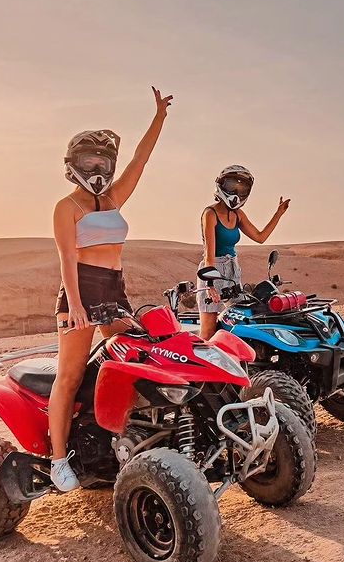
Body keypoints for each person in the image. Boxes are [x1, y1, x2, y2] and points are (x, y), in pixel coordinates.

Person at [49, 86, 173, 491]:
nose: (98, 166)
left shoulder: (115, 196)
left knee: (131, 361)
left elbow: (141, 158)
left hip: (114, 289)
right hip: (81, 289)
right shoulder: (67, 207)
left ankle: (121, 440)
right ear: (75, 164)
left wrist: (159, 117)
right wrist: (77, 305)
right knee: (68, 376)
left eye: (103, 159)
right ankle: (57, 460)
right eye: (90, 159)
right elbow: (67, 260)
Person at [197, 165, 290, 340]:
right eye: (232, 186)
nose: (236, 192)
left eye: (241, 188)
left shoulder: (238, 214)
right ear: (222, 185)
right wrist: (210, 286)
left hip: (233, 271)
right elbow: (209, 255)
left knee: (236, 325)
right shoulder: (210, 214)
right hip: (212, 270)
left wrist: (278, 213)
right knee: (208, 332)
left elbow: (260, 237)